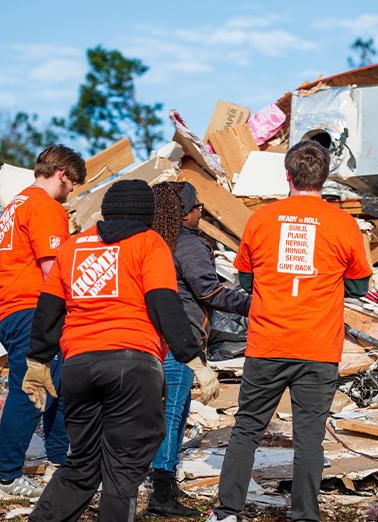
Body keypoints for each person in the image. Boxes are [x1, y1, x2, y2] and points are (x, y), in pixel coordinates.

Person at [23, 179, 221, 522]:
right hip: (133, 363)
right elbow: (164, 304)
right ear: (147, 214)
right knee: (124, 465)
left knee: (83, 462)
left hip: (79, 366)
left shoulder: (73, 247)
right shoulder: (149, 243)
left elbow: (48, 308)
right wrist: (195, 361)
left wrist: (37, 362)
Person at [209, 140, 373, 522]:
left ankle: (227, 512)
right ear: (324, 176)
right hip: (317, 346)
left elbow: (245, 280)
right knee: (309, 438)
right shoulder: (342, 223)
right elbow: (361, 286)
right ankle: (304, 515)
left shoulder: (262, 219)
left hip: (267, 342)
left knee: (247, 428)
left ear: (287, 175)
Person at [147, 181, 251, 518]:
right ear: (184, 213)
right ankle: (162, 494)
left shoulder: (154, 241)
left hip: (151, 339)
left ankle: (163, 484)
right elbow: (209, 292)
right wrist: (254, 305)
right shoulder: (187, 244)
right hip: (183, 340)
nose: (200, 211)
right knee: (173, 414)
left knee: (164, 413)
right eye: (196, 206)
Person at [0, 145, 85, 499]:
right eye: (73, 183)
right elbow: (53, 270)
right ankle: (9, 478)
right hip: (32, 308)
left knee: (55, 381)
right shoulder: (46, 207)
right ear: (62, 174)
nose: (72, 191)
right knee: (32, 387)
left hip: (9, 306)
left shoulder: (15, 204)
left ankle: (60, 457)